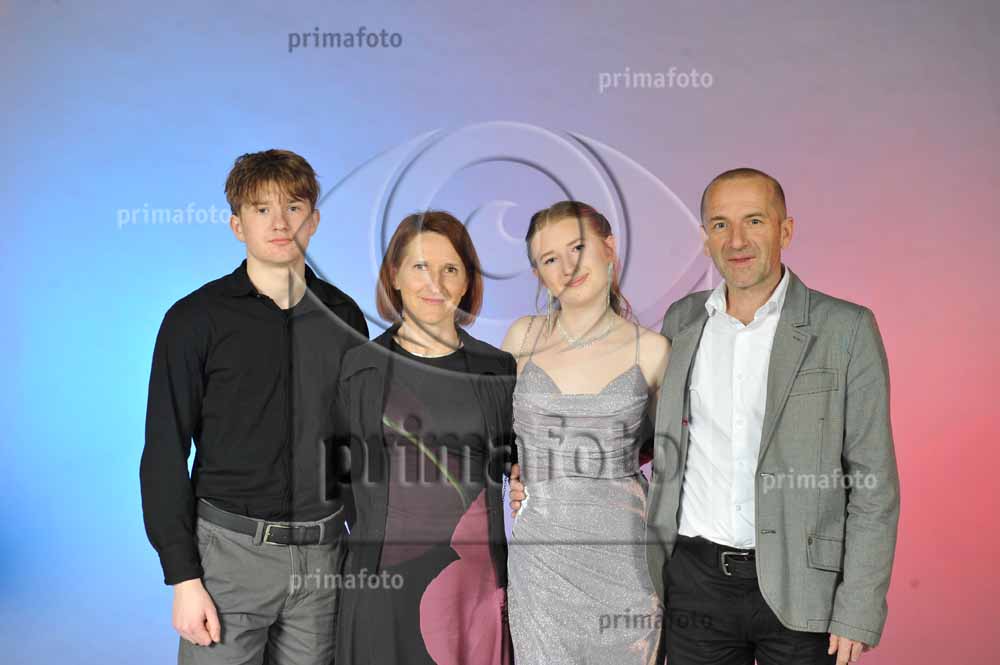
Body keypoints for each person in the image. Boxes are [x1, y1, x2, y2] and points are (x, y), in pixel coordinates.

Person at [645, 168, 900, 665]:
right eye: (720, 224)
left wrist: (859, 606)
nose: (736, 240)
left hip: (805, 589)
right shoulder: (682, 320)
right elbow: (650, 435)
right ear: (705, 238)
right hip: (695, 585)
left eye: (754, 221)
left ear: (785, 231)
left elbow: (874, 483)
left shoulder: (846, 329)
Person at [140, 149, 368, 665]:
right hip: (228, 558)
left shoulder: (345, 317)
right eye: (261, 209)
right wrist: (183, 577)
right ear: (237, 225)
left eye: (293, 207)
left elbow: (356, 443)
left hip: (324, 560)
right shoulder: (195, 319)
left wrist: (367, 544)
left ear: (314, 220)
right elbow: (164, 452)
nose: (279, 222)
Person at [334, 211, 516, 665]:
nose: (435, 282)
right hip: (383, 584)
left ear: (467, 282)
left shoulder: (498, 369)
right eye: (420, 266)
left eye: (450, 268)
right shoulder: (360, 367)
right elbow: (340, 479)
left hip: (473, 586)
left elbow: (515, 464)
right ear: (395, 275)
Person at [502, 201, 670, 664]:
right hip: (541, 565)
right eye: (549, 258)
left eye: (577, 248)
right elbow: (495, 437)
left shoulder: (655, 350)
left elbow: (670, 456)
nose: (567, 267)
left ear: (609, 248)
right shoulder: (521, 339)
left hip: (626, 562)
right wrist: (514, 470)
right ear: (539, 274)